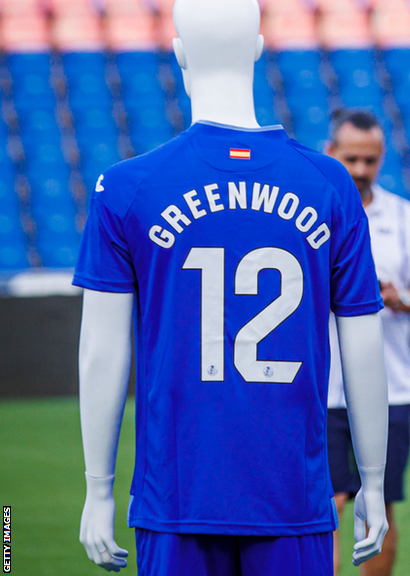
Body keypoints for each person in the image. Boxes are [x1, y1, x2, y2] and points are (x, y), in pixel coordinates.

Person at [74, 0, 390, 573]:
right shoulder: (328, 182)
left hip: (178, 492)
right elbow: (364, 343)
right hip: (292, 492)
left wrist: (99, 489)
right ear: (260, 49)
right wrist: (372, 479)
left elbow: (102, 351)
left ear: (178, 53)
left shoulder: (128, 187)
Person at [325, 109, 410, 576]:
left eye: (369, 160)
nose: (359, 169)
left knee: (378, 505)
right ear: (330, 152)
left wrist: (399, 297)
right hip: (322, 388)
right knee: (326, 507)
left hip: (389, 388)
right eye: (350, 158)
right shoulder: (309, 211)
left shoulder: (402, 214)